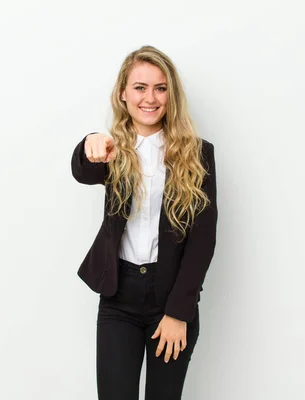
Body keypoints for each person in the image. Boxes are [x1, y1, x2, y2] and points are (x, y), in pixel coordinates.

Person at [70, 45, 218, 400]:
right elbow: (83, 171)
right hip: (118, 298)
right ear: (123, 94)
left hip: (170, 300)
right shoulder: (111, 149)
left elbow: (203, 240)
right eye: (139, 87)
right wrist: (89, 142)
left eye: (160, 88)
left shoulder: (198, 154)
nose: (150, 98)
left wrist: (178, 312)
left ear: (171, 95)